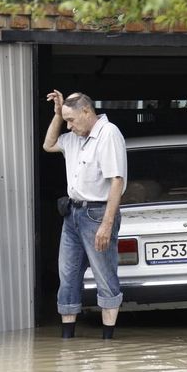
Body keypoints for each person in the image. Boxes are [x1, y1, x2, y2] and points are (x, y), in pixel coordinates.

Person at [43, 90, 127, 339]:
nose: (69, 126)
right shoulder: (74, 137)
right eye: (65, 121)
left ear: (87, 111)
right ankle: (67, 340)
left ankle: (107, 342)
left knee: (104, 275)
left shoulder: (108, 133)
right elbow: (48, 145)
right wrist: (58, 114)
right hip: (72, 213)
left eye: (72, 120)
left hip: (97, 213)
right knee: (67, 275)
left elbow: (116, 181)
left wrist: (106, 224)